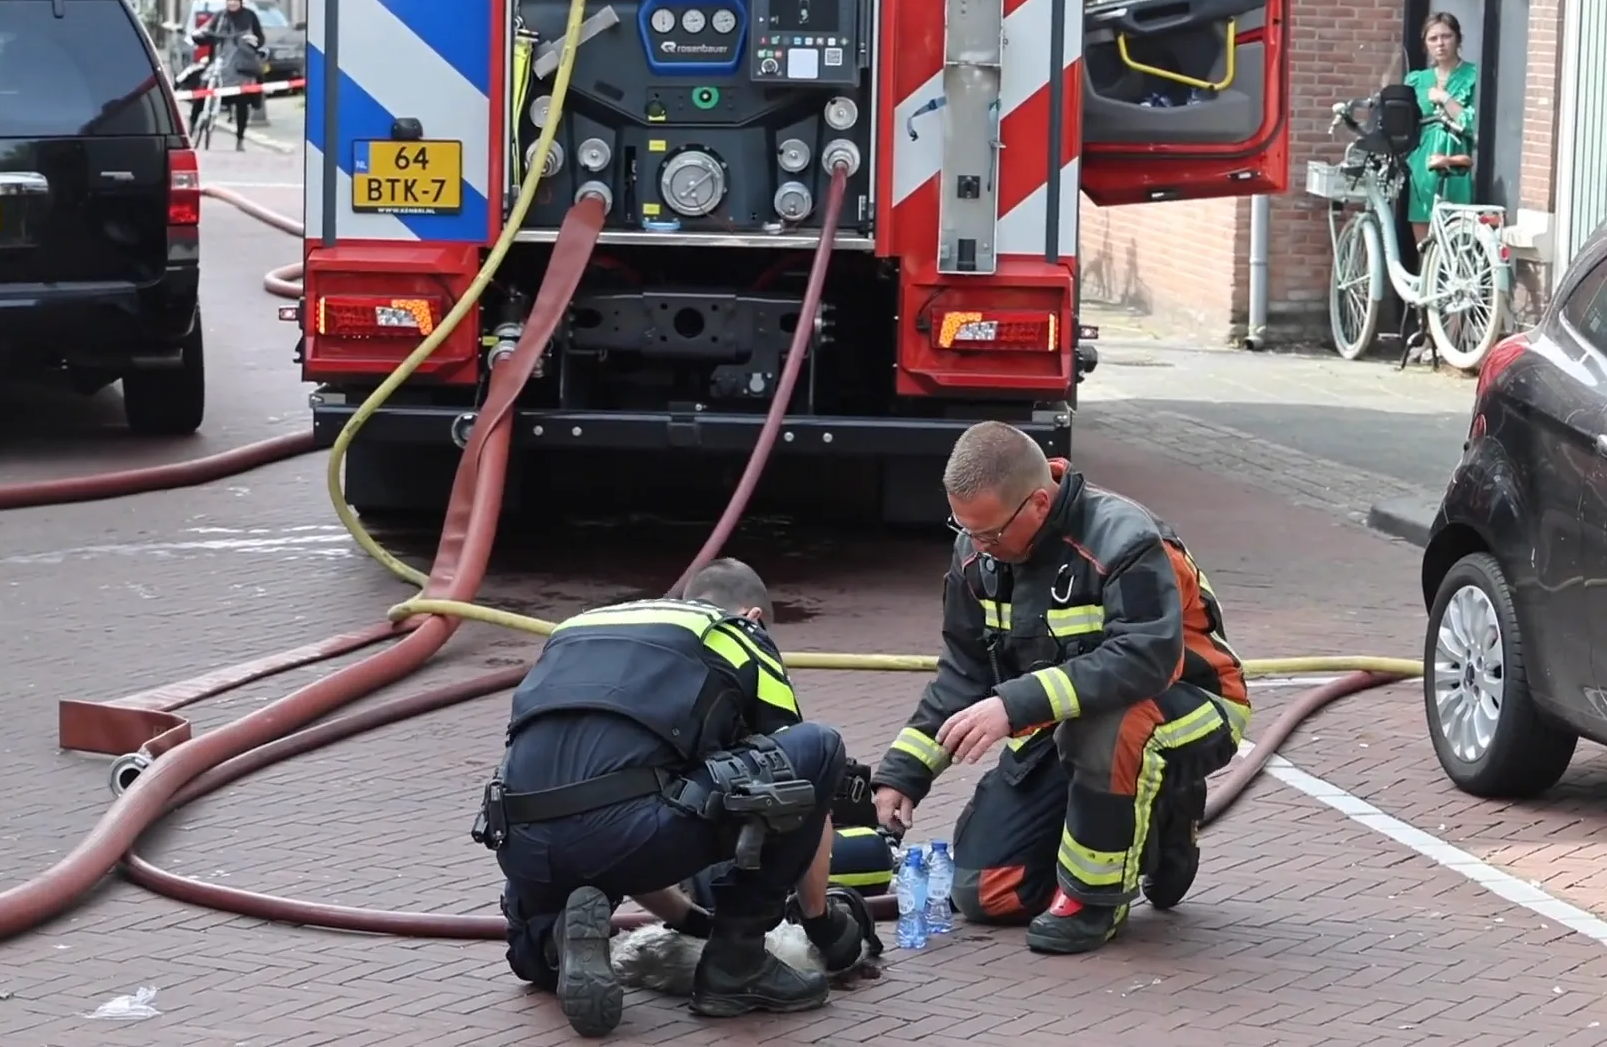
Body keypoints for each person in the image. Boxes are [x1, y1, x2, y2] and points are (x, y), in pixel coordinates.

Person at [870, 422, 1251, 956]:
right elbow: (964, 671)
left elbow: (1145, 662)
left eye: (990, 535)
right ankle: (1115, 827)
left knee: (1110, 727)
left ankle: (1097, 897)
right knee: (987, 892)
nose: (979, 548)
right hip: (1065, 723)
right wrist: (903, 776)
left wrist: (1013, 704)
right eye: (964, 530)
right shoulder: (977, 554)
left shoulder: (1128, 539)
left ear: (1039, 503)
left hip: (1188, 704)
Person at [475, 558, 868, 1037]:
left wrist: (692, 921)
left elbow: (611, 797)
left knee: (539, 939)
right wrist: (823, 924)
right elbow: (800, 789)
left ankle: (553, 943)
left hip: (524, 844)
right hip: (628, 832)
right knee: (819, 747)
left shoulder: (578, 629)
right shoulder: (736, 633)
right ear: (755, 617)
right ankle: (736, 965)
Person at [1405, 11, 1477, 247]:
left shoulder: (1473, 75)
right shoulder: (1417, 79)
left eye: (1446, 36)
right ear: (1425, 44)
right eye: (1433, 38)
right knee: (1422, 221)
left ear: (1458, 39)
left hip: (1455, 150)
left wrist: (1445, 98)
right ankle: (1426, 272)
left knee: (1457, 223)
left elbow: (1471, 122)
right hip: (1422, 157)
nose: (1440, 43)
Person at [187, 0, 264, 151]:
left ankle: (240, 139)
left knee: (242, 100)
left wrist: (253, 42)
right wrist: (201, 35)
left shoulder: (250, 16)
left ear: (241, 1)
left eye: (236, 0)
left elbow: (260, 38)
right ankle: (191, 128)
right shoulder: (220, 16)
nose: (232, 3)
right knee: (202, 92)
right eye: (229, 0)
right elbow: (205, 31)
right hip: (219, 61)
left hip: (240, 64)